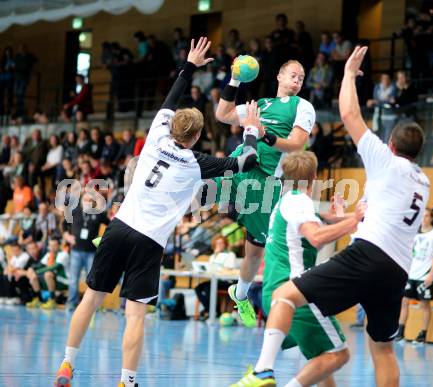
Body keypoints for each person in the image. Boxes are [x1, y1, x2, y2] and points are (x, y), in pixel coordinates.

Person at [54, 37, 260, 387]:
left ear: (173, 126)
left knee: (91, 298)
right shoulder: (198, 163)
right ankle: (126, 381)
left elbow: (172, 98)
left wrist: (191, 65)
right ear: (196, 137)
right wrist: (251, 127)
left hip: (120, 229)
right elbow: (246, 161)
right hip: (149, 243)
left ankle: (66, 365)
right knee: (135, 315)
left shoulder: (155, 137)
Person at [240, 46, 429, 387]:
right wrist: (344, 219)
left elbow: (350, 115)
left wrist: (348, 75)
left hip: (367, 256)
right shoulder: (425, 181)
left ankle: (263, 370)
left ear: (390, 146)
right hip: (397, 269)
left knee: (287, 300)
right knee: (382, 351)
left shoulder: (384, 162)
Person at [231, 150, 365, 387]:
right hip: (296, 291)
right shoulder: (299, 201)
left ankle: (263, 370)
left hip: (275, 291)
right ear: (314, 176)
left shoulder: (285, 201)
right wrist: (353, 220)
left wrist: (334, 219)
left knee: (322, 359)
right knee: (338, 354)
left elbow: (304, 227)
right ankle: (265, 373)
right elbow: (314, 237)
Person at [215, 58, 315, 327]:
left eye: (301, 78)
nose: (297, 81)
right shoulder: (259, 105)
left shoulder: (302, 106)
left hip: (266, 184)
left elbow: (296, 145)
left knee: (254, 251)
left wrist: (264, 133)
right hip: (240, 163)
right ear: (280, 76)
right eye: (293, 75)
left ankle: (241, 294)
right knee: (193, 182)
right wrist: (234, 79)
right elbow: (221, 114)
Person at [397, 207, 433, 343]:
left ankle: (423, 334)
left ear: (432, 218)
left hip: (425, 275)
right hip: (411, 274)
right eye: (422, 216)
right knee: (404, 301)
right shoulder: (415, 233)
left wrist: (431, 274)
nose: (424, 218)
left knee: (424, 305)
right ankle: (400, 332)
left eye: (427, 216)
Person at [195, 235, 237, 320]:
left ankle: (210, 311)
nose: (219, 245)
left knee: (208, 287)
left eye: (221, 243)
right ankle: (212, 310)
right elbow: (210, 269)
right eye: (217, 243)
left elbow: (230, 268)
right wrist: (215, 255)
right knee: (198, 288)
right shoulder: (212, 256)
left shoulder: (230, 254)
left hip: (226, 281)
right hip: (214, 280)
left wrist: (219, 268)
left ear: (225, 244)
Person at [26, 237, 69, 309]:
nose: (52, 248)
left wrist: (36, 271)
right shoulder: (49, 254)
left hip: (64, 281)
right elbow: (39, 265)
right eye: (50, 245)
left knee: (48, 274)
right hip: (53, 279)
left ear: (59, 245)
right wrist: (31, 269)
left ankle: (52, 300)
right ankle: (38, 299)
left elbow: (54, 267)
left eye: (54, 245)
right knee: (33, 276)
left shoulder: (64, 254)